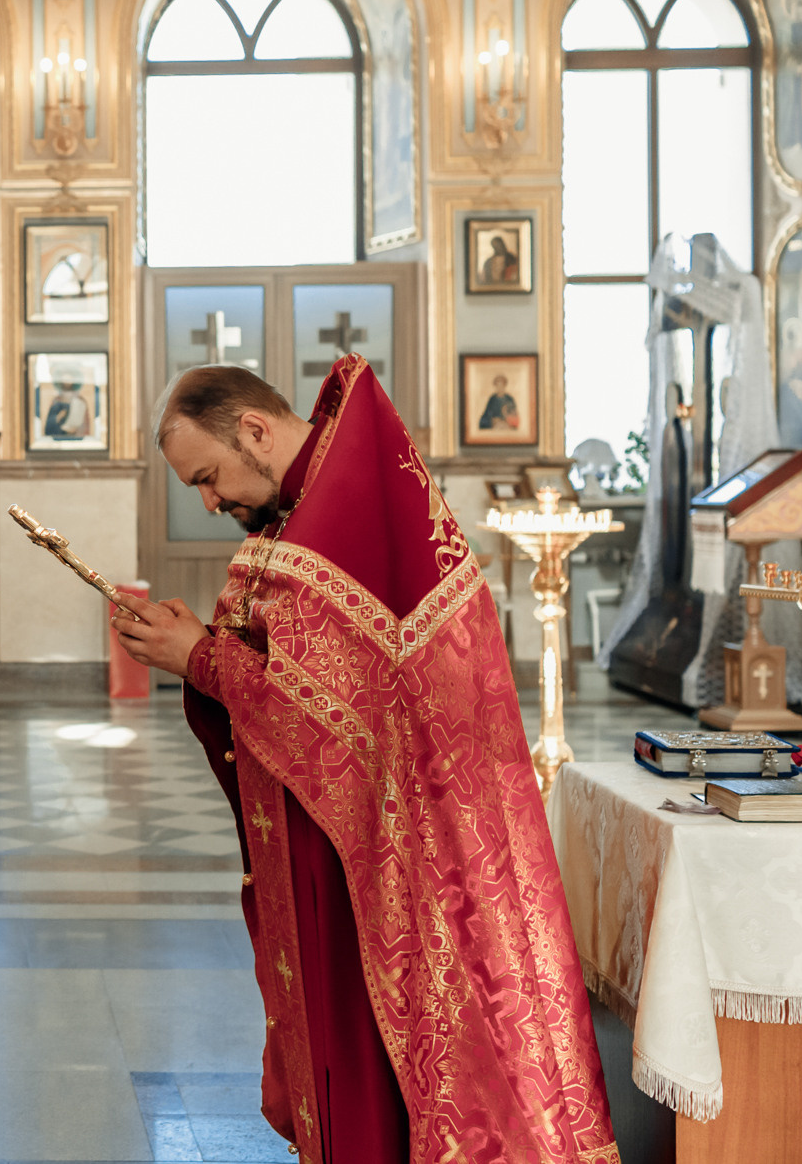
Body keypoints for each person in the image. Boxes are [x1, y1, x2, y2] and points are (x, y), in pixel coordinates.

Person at [111, 359, 616, 1163]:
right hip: (335, 840)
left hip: (397, 856)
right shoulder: (297, 514)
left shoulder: (348, 513)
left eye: (207, 478)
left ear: (253, 430)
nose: (209, 502)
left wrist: (202, 658)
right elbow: (302, 681)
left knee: (386, 1059)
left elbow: (337, 723)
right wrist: (205, 646)